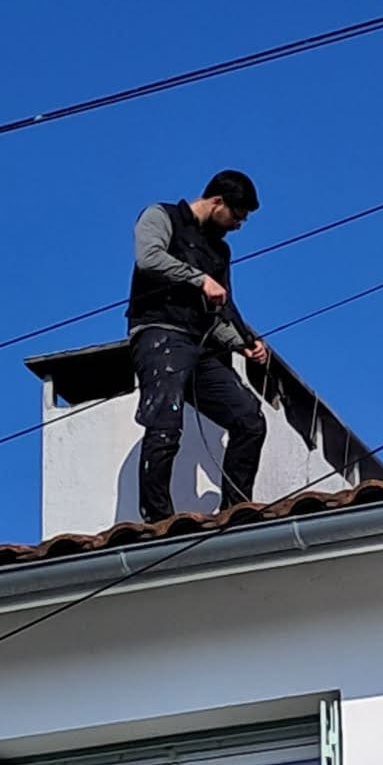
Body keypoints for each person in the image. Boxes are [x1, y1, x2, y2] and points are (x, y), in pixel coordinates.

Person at [127, 170, 270, 523]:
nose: (238, 224)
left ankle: (236, 509)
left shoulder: (219, 250)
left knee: (249, 418)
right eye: (237, 215)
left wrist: (245, 343)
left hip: (199, 343)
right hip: (160, 332)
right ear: (217, 201)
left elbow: (222, 308)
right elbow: (149, 258)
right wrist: (200, 279)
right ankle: (158, 519)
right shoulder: (161, 216)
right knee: (165, 420)